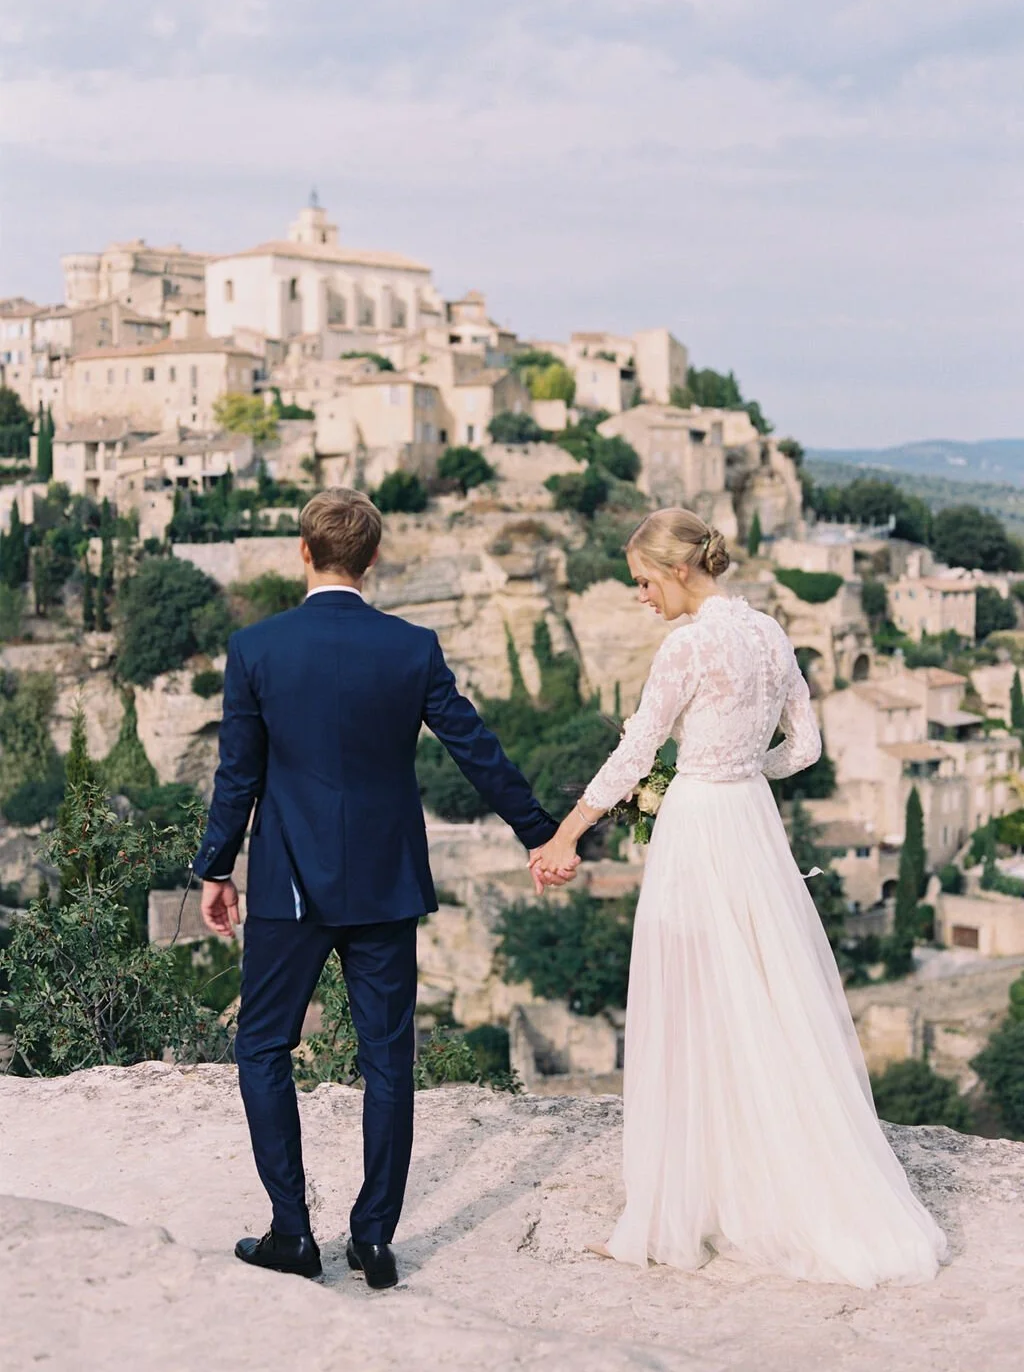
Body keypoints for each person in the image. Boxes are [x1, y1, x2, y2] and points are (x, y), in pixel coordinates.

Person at [531, 508, 948, 1288]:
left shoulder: (687, 647)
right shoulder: (769, 634)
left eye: (644, 583)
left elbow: (634, 750)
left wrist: (566, 836)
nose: (641, 598)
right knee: (763, 989)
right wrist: (743, 769)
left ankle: (677, 1209)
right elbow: (808, 747)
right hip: (752, 820)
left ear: (680, 571)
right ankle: (752, 1176)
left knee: (690, 997)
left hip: (699, 826)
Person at [194, 488, 574, 1289]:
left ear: (302, 552)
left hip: (290, 885)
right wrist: (540, 832)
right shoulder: (412, 647)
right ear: (373, 562)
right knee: (388, 1061)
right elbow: (477, 749)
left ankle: (292, 1234)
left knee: (262, 1046)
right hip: (387, 882)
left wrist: (215, 868)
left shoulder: (256, 648)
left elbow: (238, 776)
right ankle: (373, 1240)